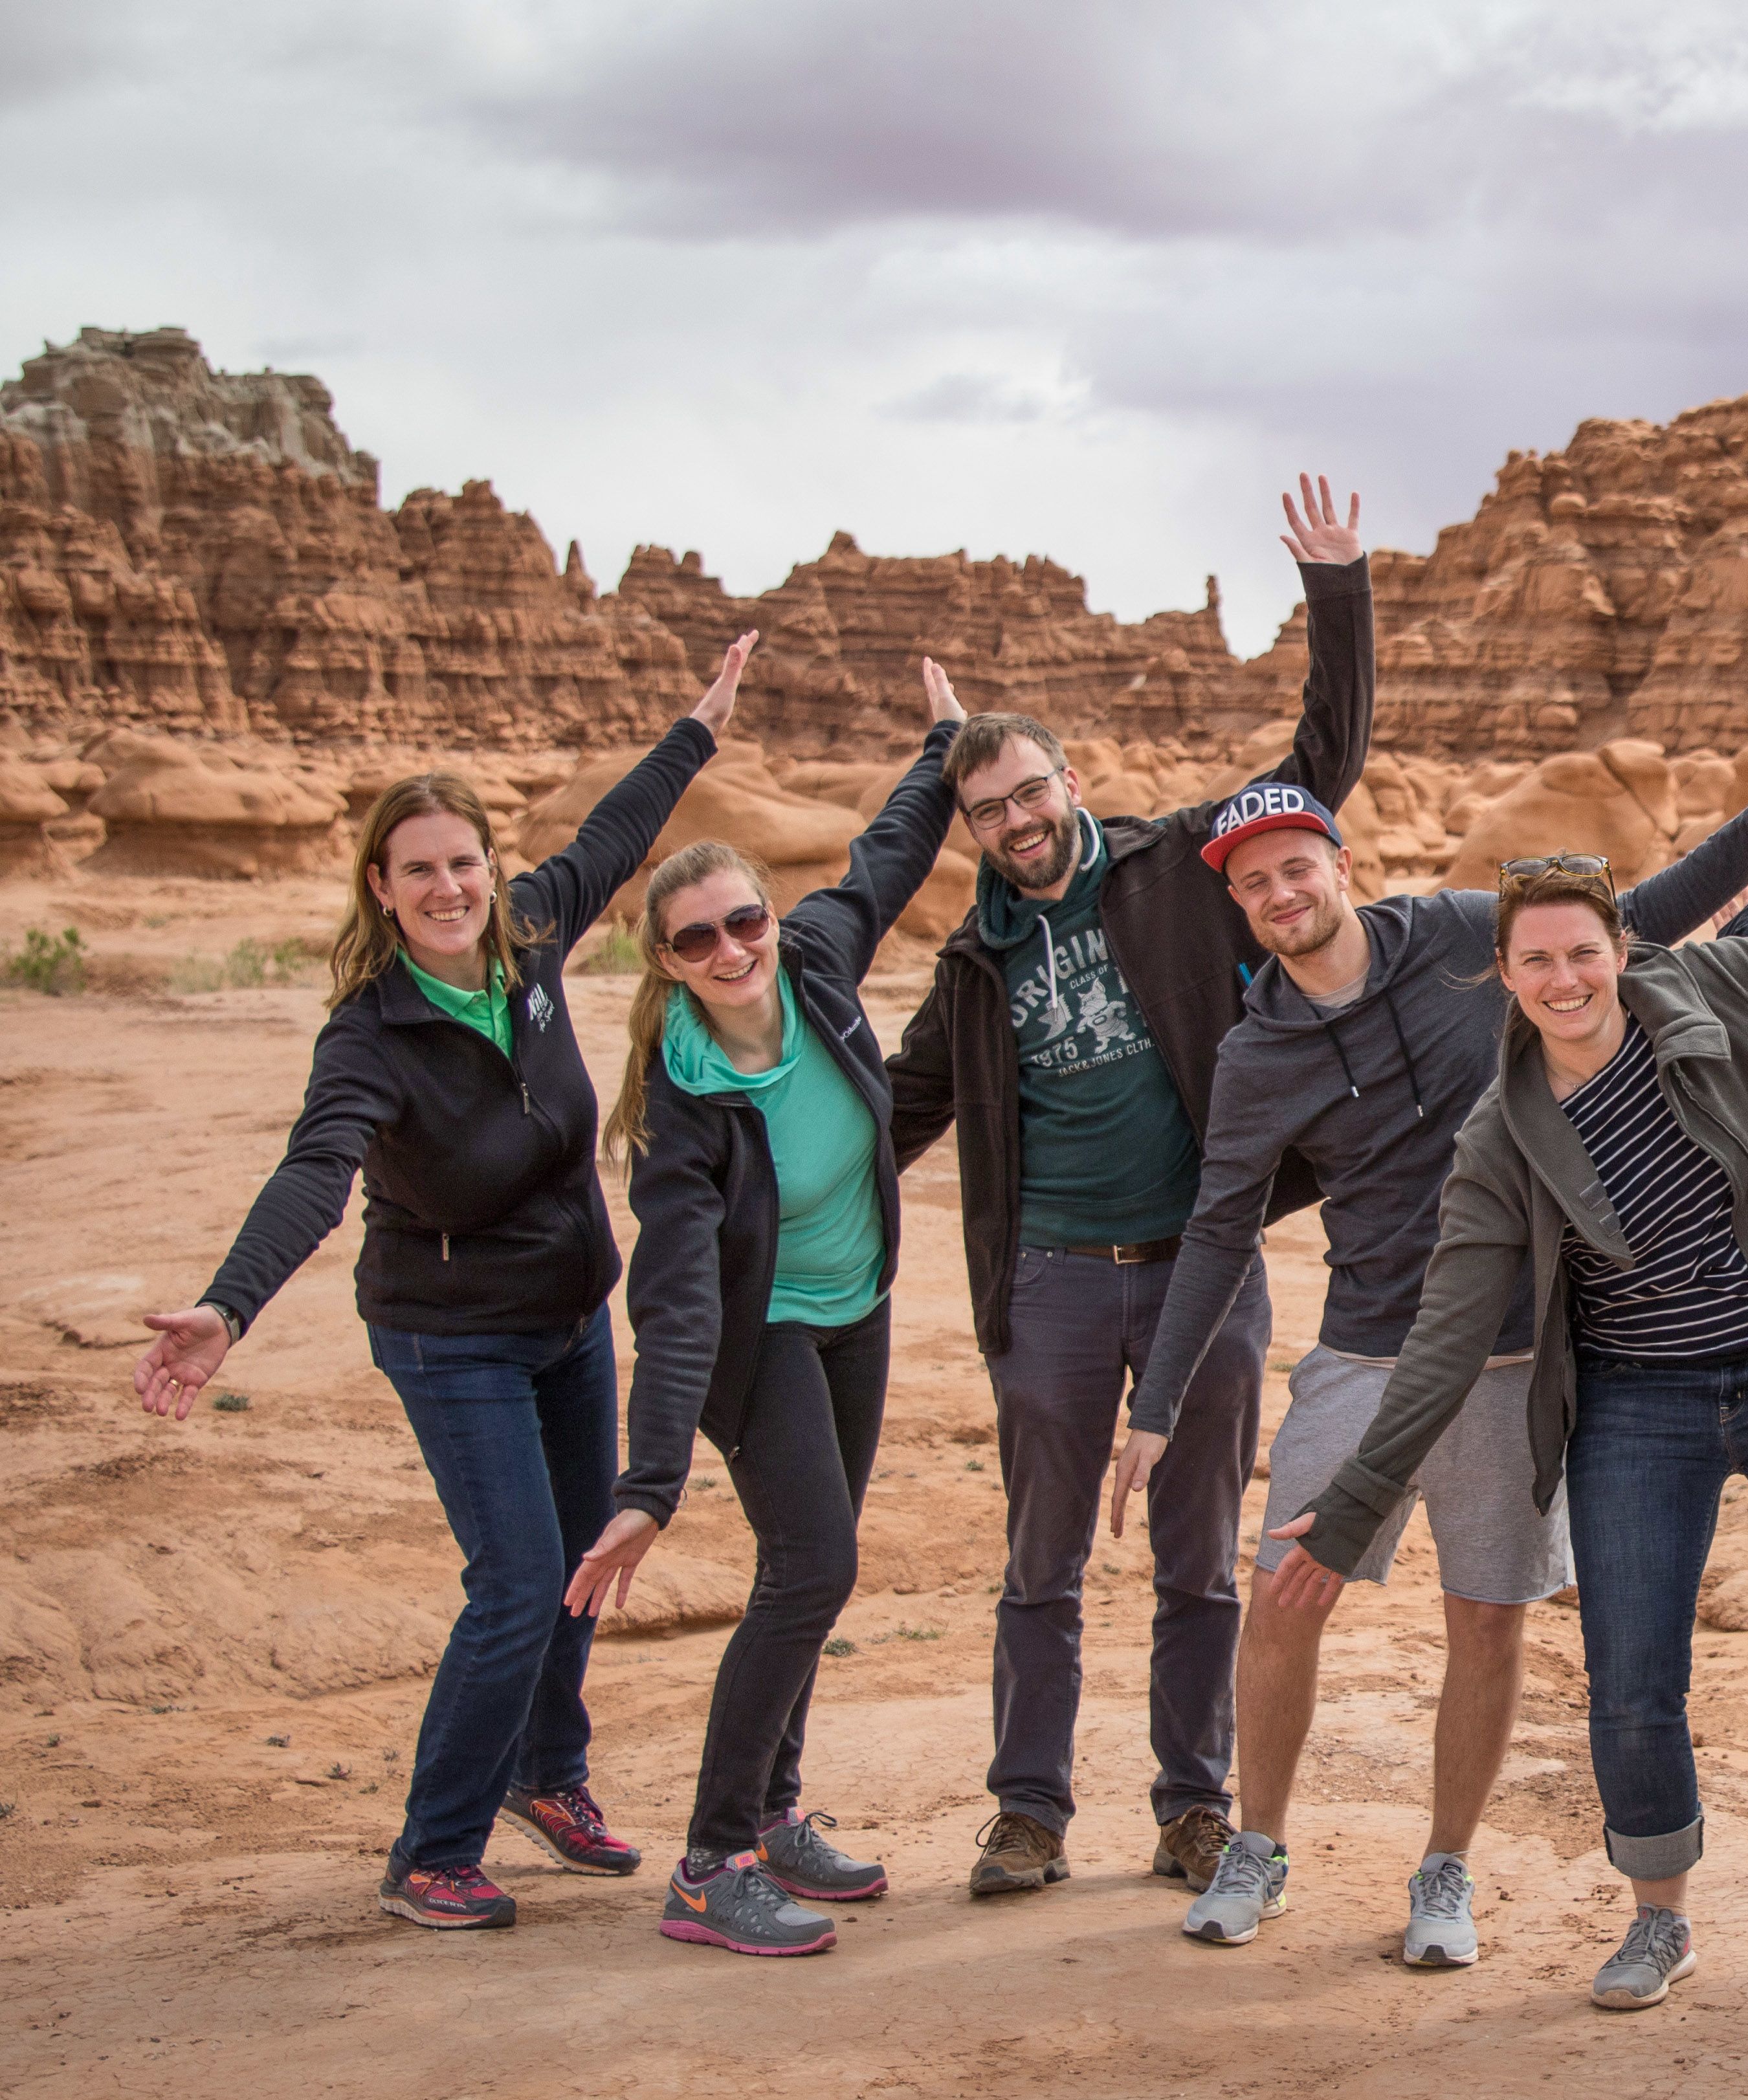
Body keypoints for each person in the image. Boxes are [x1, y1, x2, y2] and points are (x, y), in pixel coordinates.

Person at [1271, 768, 1748, 2020]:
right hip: (1640, 1402)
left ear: (1619, 950)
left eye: (1583, 952)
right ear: (1505, 979)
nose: (1564, 980)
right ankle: (1659, 1922)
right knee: (1633, 1677)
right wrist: (1357, 1500)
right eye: (1537, 963)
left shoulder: (1730, 988)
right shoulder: (1501, 1138)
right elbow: (1446, 1337)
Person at [1100, 757, 1748, 1965]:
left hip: (1513, 1348)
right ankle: (1259, 1847)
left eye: (1297, 866)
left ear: (1341, 864)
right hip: (1365, 1347)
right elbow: (1222, 1223)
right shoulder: (1256, 1053)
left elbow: (1628, 924)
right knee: (1286, 1594)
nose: (1282, 894)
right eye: (1255, 884)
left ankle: (1446, 1871)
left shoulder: (1449, 939)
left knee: (1486, 1618)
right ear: (1238, 905)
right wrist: (1157, 1400)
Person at [133, 634, 764, 1929]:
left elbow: (622, 830)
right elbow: (317, 1170)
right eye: (418, 869)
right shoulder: (369, 1035)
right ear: (381, 884)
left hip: (565, 1317)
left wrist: (698, 726)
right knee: (519, 1579)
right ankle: (431, 1849)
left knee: (581, 1558)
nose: (447, 886)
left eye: (463, 862)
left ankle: (551, 1774)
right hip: (449, 1337)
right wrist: (227, 1305)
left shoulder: (529, 936)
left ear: (489, 868)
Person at [886, 476, 1369, 1901]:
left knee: (1198, 1564)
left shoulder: (1175, 872)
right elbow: (891, 1112)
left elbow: (1317, 768)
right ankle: (1029, 1811)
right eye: (989, 810)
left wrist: (1336, 593)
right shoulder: (972, 965)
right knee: (1041, 1564)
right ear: (970, 825)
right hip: (1046, 1283)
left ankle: (1192, 1805)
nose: (1021, 822)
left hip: (1197, 1271)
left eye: (1034, 792)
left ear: (1071, 784)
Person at [562, 663, 962, 1956]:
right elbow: (675, 1302)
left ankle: (777, 1816)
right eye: (698, 941)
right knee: (816, 1565)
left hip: (858, 1310)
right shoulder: (680, 1117)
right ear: (665, 966)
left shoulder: (823, 961)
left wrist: (946, 748)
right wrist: (649, 1478)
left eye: (746, 924)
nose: (732, 951)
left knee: (815, 1569)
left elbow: (889, 858)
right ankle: (710, 1862)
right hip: (761, 1339)